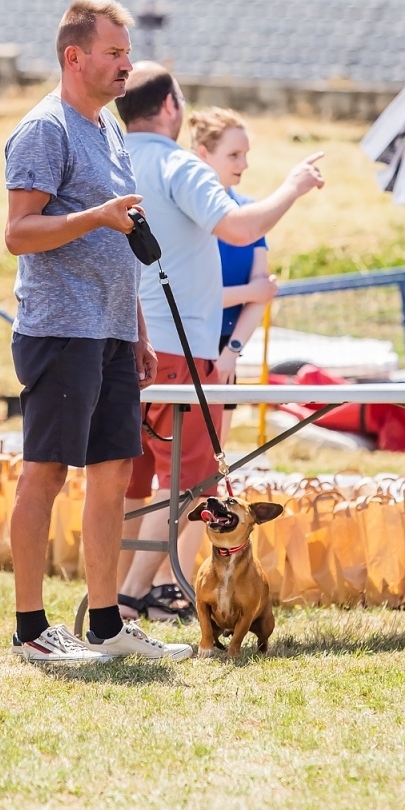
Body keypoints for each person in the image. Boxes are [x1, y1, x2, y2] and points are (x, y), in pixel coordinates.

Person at [2, 0, 191, 664]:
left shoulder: (109, 127)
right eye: (114, 53)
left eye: (127, 53)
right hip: (60, 329)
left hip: (110, 331)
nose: (126, 65)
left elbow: (120, 232)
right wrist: (96, 217)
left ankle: (108, 624)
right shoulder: (44, 129)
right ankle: (31, 629)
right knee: (46, 474)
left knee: (113, 473)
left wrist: (135, 327)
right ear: (73, 56)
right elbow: (18, 233)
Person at [115, 67, 324, 621]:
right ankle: (133, 598)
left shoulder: (110, 156)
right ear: (169, 105)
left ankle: (116, 598)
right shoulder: (178, 164)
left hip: (119, 342)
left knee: (130, 482)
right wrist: (293, 187)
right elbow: (238, 226)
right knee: (192, 483)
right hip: (178, 350)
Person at [190, 108, 281, 374]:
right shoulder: (187, 214)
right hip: (184, 348)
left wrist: (231, 352)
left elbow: (263, 292)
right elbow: (191, 297)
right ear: (203, 153)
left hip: (227, 354)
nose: (244, 164)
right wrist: (250, 292)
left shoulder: (250, 212)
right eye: (234, 155)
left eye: (245, 154)